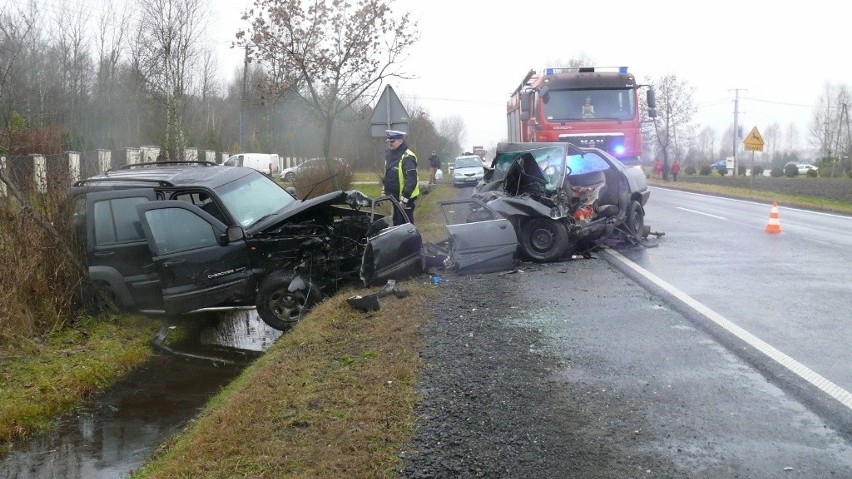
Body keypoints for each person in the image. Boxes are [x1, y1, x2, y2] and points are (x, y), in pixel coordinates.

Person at [383, 130, 420, 225]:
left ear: (400, 141)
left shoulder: (408, 157)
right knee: (396, 224)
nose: (390, 144)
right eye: (389, 141)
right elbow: (389, 173)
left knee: (406, 226)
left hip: (405, 200)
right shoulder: (389, 154)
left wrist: (404, 200)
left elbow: (411, 180)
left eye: (392, 141)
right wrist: (385, 188)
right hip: (394, 198)